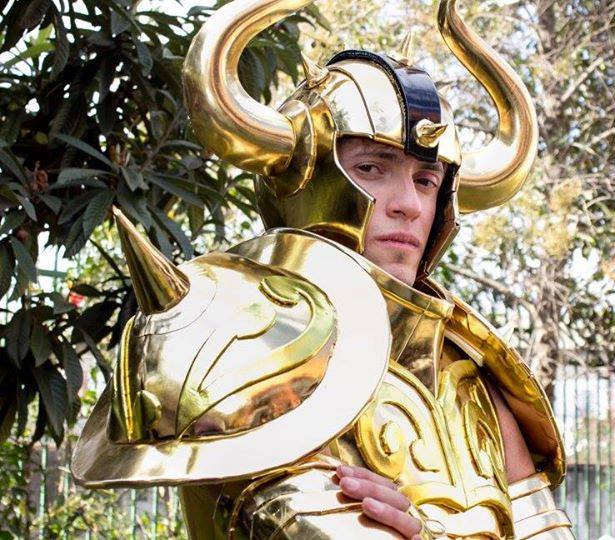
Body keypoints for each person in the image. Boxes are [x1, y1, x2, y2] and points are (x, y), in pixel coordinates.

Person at [71, 0, 575, 538]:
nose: (408, 204)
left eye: (426, 181)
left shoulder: (470, 375)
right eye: (371, 168)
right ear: (307, 179)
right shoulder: (244, 341)